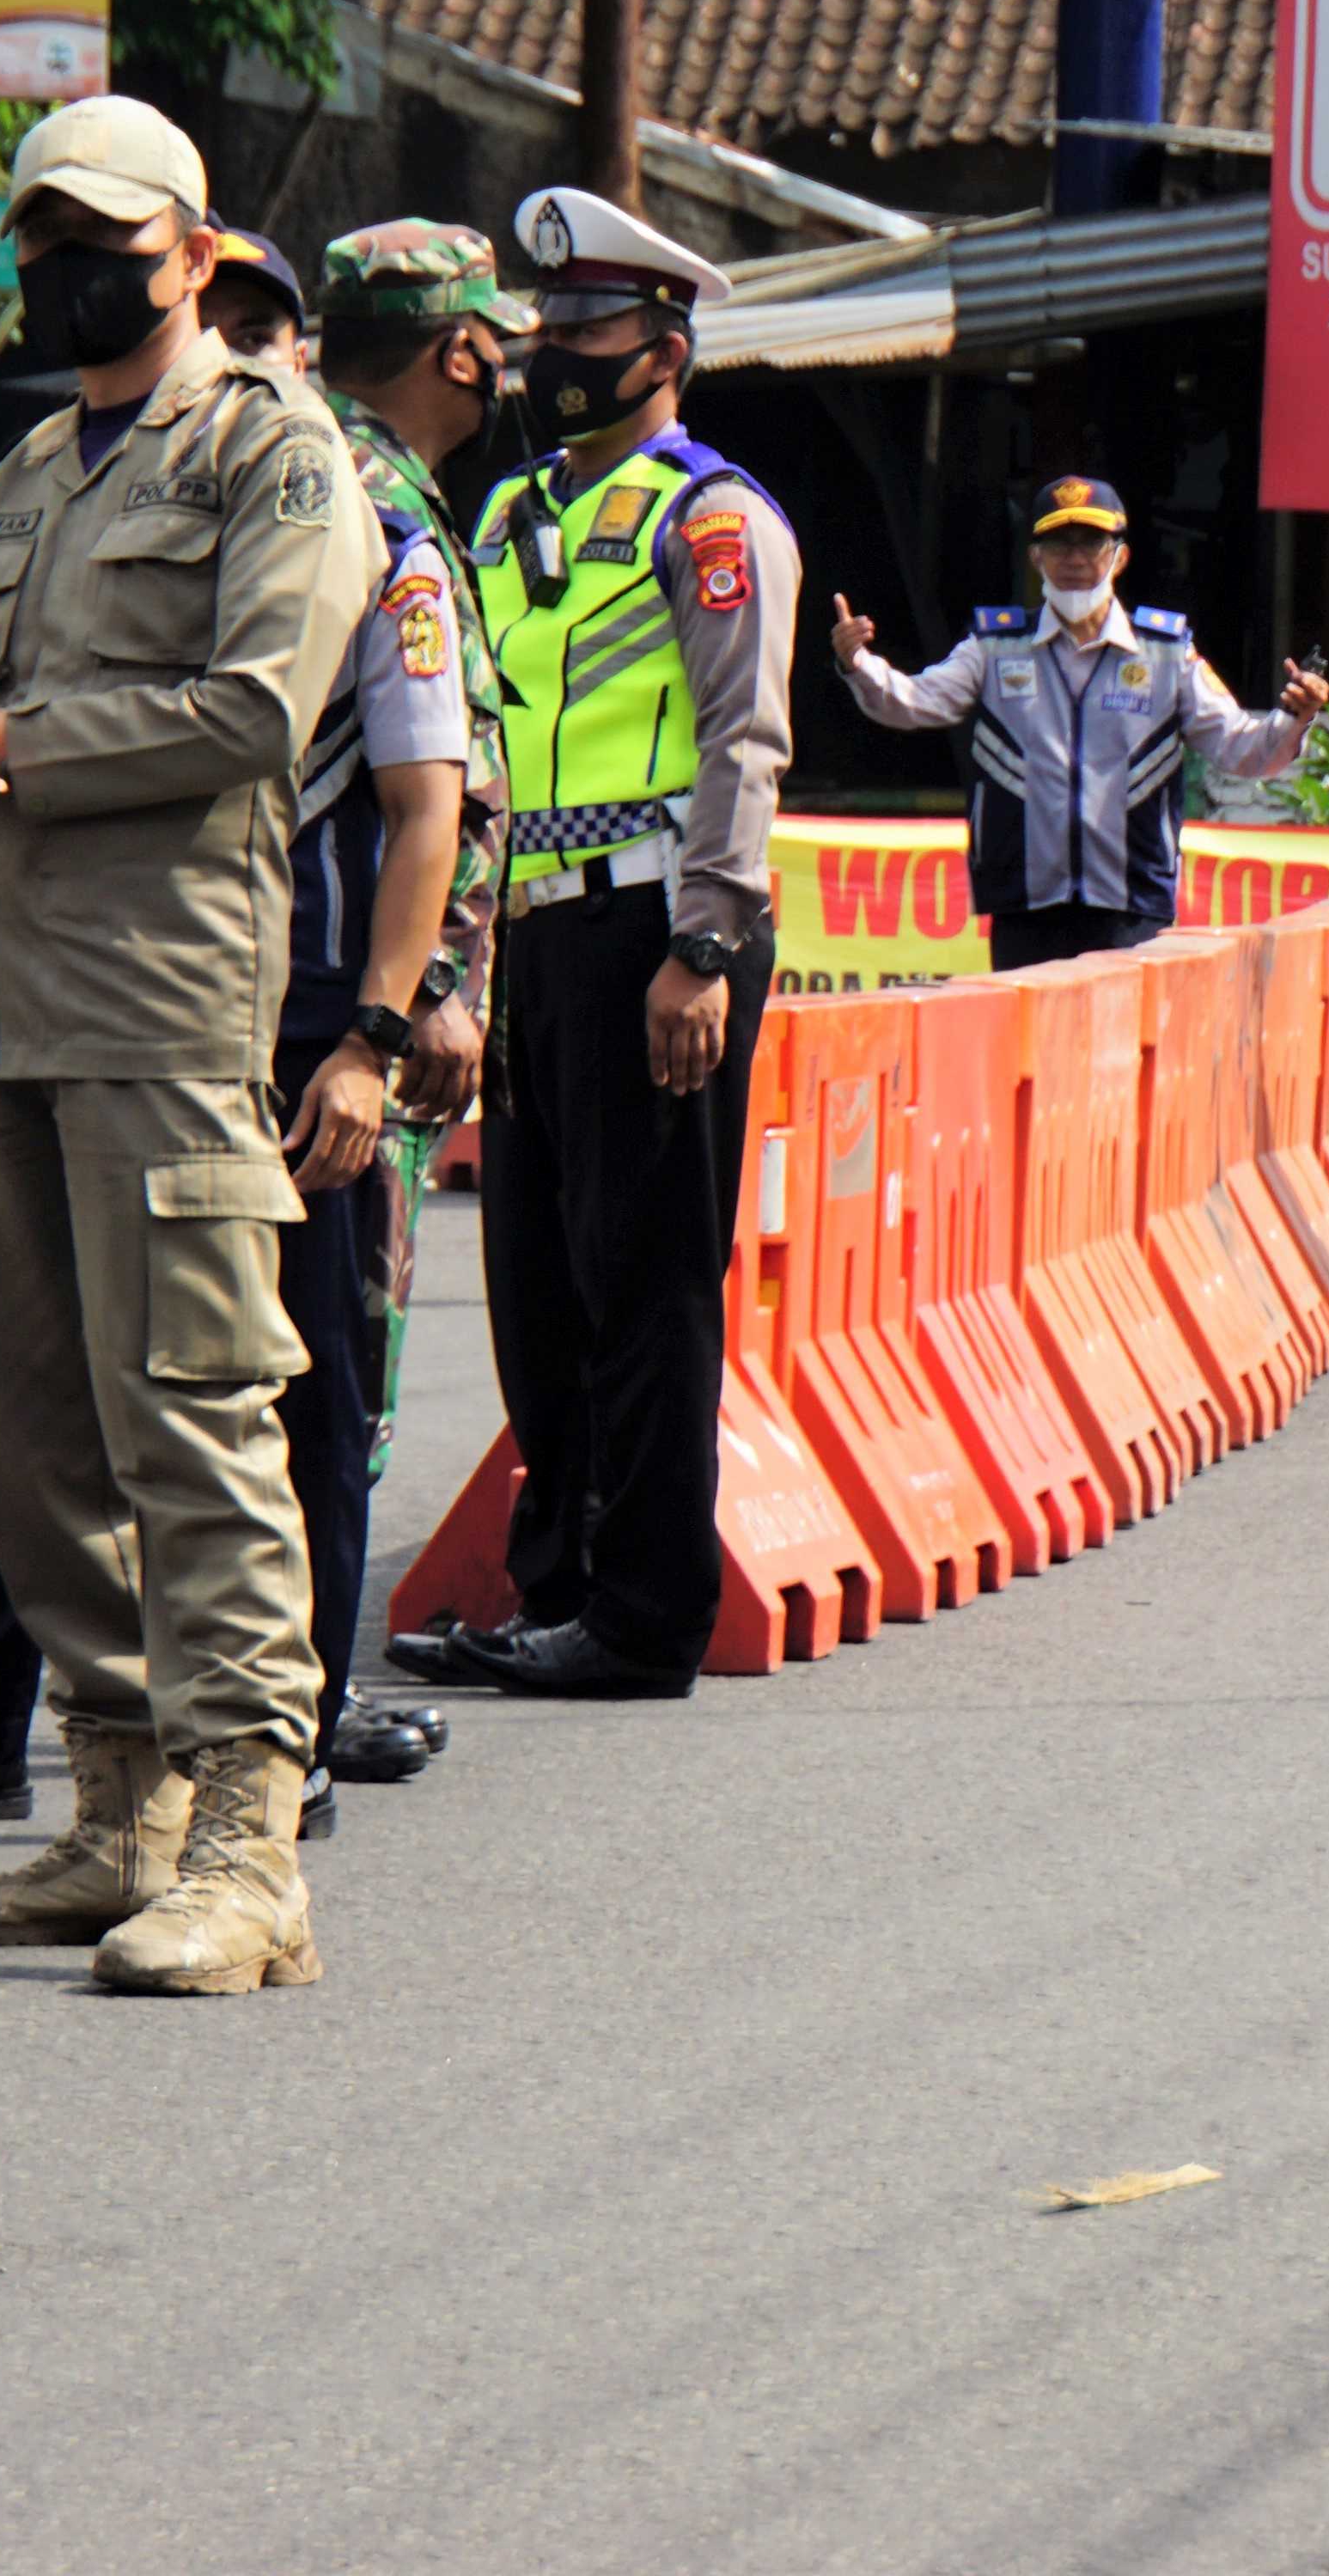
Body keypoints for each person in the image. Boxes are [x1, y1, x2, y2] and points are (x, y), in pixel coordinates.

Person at [0, 218, 503, 1839]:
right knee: (45, 1409)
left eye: (262, 325)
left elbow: (436, 803)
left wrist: (396, 1022)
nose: (240, 360)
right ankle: (57, 1775)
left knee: (252, 1403)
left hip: (286, 1003)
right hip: (62, 1002)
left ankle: (268, 1782)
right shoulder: (37, 481)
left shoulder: (349, 506)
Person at [0, 98, 381, 1996]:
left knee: (192, 1414)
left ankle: (251, 1841)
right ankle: (115, 1809)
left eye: (109, 236)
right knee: (33, 1425)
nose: (71, 267)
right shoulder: (17, 480)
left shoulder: (272, 449)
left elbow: (249, 711)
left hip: (163, 996)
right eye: (41, 238)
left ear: (195, 246)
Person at [409, 182, 797, 1702]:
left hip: (656, 927)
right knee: (538, 1277)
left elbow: (743, 742)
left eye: (591, 328)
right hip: (533, 940)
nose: (556, 351)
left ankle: (644, 1614)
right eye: (546, 326)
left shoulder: (713, 517)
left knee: (645, 1285)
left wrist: (703, 945)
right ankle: (554, 1587)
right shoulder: (510, 514)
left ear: (668, 344)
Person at [829, 473, 1329, 966]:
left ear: (1120, 557)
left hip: (1130, 909)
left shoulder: (1165, 654)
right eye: (1057, 544)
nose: (1072, 560)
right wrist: (859, 665)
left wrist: (1294, 718)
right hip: (1024, 907)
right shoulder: (996, 647)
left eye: (1090, 544)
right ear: (1035, 558)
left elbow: (1242, 750)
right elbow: (914, 702)